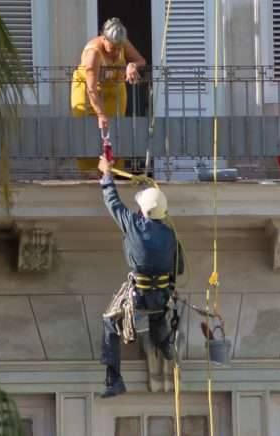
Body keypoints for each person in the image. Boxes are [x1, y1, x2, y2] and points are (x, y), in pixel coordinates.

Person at [97, 155, 184, 398]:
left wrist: (106, 174)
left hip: (138, 297)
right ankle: (166, 346)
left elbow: (112, 202)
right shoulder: (169, 235)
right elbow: (179, 267)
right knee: (157, 318)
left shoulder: (134, 225)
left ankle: (114, 379)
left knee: (110, 323)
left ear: (142, 210)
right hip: (160, 297)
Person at [71, 18, 147, 176]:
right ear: (104, 39)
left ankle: (113, 172)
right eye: (112, 48)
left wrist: (131, 65)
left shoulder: (121, 41)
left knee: (115, 129)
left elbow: (141, 60)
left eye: (119, 49)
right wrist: (100, 114)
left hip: (114, 89)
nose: (116, 53)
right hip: (87, 92)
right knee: (88, 130)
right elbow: (91, 89)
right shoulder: (93, 53)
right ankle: (90, 173)